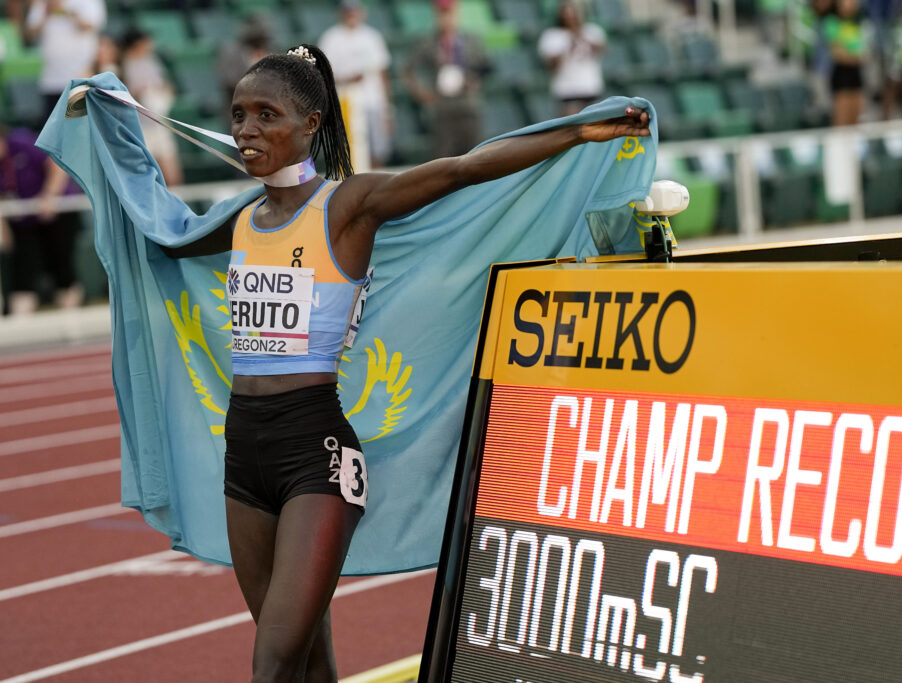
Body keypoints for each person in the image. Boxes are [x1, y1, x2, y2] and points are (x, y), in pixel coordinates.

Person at [157, 43, 648, 681]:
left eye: (266, 115)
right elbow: (161, 235)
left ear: (310, 124)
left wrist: (578, 131)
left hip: (315, 452)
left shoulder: (347, 206)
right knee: (307, 663)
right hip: (242, 450)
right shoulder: (242, 220)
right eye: (238, 115)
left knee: (272, 663)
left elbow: (461, 171)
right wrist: (109, 126)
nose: (247, 130)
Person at [0, 125, 83, 314]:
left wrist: (49, 196)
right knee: (23, 272)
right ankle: (21, 328)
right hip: (23, 221)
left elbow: (56, 164)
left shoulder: (21, 142)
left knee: (62, 266)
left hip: (58, 212)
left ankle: (70, 321)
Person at [401, 0, 491, 158]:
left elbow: (486, 67)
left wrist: (473, 80)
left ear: (457, 14)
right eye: (442, 14)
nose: (446, 18)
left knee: (476, 158)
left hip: (468, 106)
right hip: (442, 109)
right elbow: (408, 70)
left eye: (449, 13)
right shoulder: (428, 42)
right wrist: (421, 93)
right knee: (442, 159)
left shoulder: (471, 40)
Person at [319, 0, 393, 170]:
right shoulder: (331, 38)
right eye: (348, 11)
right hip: (346, 104)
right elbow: (325, 75)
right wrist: (348, 79)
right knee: (351, 151)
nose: (351, 15)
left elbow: (382, 75)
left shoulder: (372, 37)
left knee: (376, 151)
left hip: (372, 102)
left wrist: (387, 109)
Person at [24, 0, 106, 127]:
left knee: (77, 129)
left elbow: (90, 25)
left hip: (79, 77)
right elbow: (30, 35)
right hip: (50, 78)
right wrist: (47, 11)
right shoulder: (42, 2)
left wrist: (66, 9)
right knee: (53, 132)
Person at [120, 27, 183, 185]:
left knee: (172, 177)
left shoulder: (152, 62)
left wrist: (165, 92)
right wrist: (138, 94)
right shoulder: (123, 65)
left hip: (159, 123)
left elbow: (166, 85)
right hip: (139, 127)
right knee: (149, 177)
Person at [538, 0, 607, 116]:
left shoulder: (591, 31)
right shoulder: (552, 36)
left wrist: (582, 37)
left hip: (591, 88)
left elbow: (602, 49)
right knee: (571, 129)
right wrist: (567, 48)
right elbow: (551, 65)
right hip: (567, 91)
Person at [823, 0, 865, 126]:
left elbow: (864, 51)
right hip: (842, 77)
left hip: (856, 76)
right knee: (842, 124)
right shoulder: (831, 23)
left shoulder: (857, 23)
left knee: (855, 122)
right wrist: (855, 57)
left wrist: (856, 57)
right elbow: (839, 54)